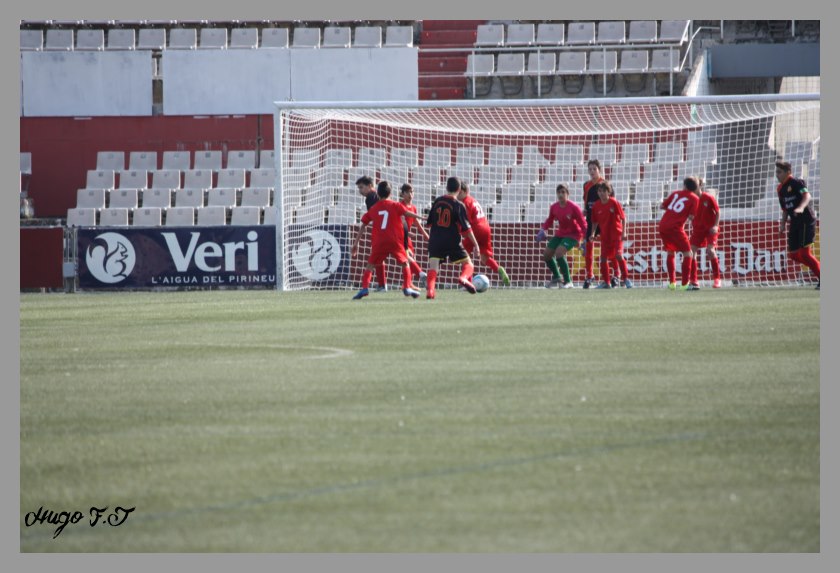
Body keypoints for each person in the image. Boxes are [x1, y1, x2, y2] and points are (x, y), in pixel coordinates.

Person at [350, 181, 421, 300]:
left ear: (378, 193)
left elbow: (363, 225)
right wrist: (422, 217)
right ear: (391, 193)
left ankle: (364, 288)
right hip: (394, 240)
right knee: (405, 263)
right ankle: (407, 286)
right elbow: (407, 213)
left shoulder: (374, 208)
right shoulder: (395, 205)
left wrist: (356, 243)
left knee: (370, 266)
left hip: (379, 241)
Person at [424, 176, 481, 300]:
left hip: (435, 240)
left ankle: (430, 291)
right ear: (459, 189)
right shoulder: (458, 205)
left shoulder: (437, 201)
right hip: (452, 241)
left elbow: (429, 223)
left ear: (446, 187)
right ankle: (463, 278)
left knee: (433, 267)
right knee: (468, 263)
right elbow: (467, 228)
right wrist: (476, 244)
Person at [775, 161, 820, 289]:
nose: (777, 175)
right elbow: (784, 208)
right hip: (794, 222)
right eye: (776, 172)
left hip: (806, 219)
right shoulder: (780, 189)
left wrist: (800, 207)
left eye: (779, 172)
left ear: (788, 172)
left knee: (805, 254)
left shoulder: (796, 182)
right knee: (793, 255)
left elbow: (807, 195)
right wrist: (782, 224)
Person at [456, 181, 511, 286]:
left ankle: (468, 282)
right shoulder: (473, 200)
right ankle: (498, 268)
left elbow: (465, 222)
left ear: (462, 192)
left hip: (475, 229)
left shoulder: (464, 203)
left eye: (457, 193)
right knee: (484, 258)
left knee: (465, 258)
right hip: (486, 228)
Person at [535, 183, 587, 288]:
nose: (560, 195)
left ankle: (568, 281)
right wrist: (543, 229)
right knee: (546, 255)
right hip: (561, 234)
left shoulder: (574, 207)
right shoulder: (554, 207)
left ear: (568, 194)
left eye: (563, 192)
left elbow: (583, 224)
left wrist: (585, 240)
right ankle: (557, 276)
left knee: (559, 253)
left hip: (574, 234)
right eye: (558, 192)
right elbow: (549, 220)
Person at [580, 159, 619, 288]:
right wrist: (585, 210)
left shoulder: (605, 184)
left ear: (599, 170)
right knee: (588, 247)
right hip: (592, 220)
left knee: (610, 250)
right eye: (589, 169)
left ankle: (616, 275)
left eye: (594, 169)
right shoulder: (586, 185)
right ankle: (589, 275)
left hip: (606, 222)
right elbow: (586, 201)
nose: (592, 171)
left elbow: (612, 202)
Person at [658, 176, 700, 291]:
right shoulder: (695, 199)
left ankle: (672, 283)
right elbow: (691, 217)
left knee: (671, 252)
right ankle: (685, 285)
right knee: (688, 254)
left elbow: (662, 206)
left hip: (663, 226)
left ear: (685, 185)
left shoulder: (675, 193)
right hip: (675, 228)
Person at [589, 181, 632, 288]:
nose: (602, 193)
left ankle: (626, 278)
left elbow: (623, 218)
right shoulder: (596, 206)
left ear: (609, 192)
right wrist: (593, 234)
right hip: (605, 237)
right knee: (603, 259)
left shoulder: (614, 202)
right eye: (600, 191)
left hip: (616, 235)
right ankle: (606, 282)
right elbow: (595, 222)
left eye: (604, 191)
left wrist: (624, 232)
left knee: (618, 255)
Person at [355, 175, 388, 292]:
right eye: (359, 188)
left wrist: (356, 242)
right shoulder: (378, 195)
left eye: (361, 187)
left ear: (370, 186)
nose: (360, 191)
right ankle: (382, 285)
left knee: (376, 258)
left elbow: (374, 215)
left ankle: (380, 285)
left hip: (382, 231)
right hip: (390, 228)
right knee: (403, 257)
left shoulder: (370, 197)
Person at [688, 177, 722, 289]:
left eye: (695, 184)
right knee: (691, 252)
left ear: (700, 185)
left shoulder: (708, 197)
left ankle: (717, 279)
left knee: (711, 250)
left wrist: (716, 226)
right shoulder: (690, 199)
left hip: (710, 229)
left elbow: (717, 211)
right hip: (698, 230)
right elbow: (689, 214)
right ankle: (694, 280)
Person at [398, 183, 429, 286]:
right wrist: (407, 232)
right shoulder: (400, 206)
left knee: (410, 259)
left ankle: (408, 284)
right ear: (402, 194)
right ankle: (421, 273)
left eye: (412, 192)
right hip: (400, 237)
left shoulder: (413, 208)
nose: (410, 194)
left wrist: (425, 234)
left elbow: (416, 222)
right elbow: (397, 222)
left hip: (407, 239)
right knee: (407, 257)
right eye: (407, 192)